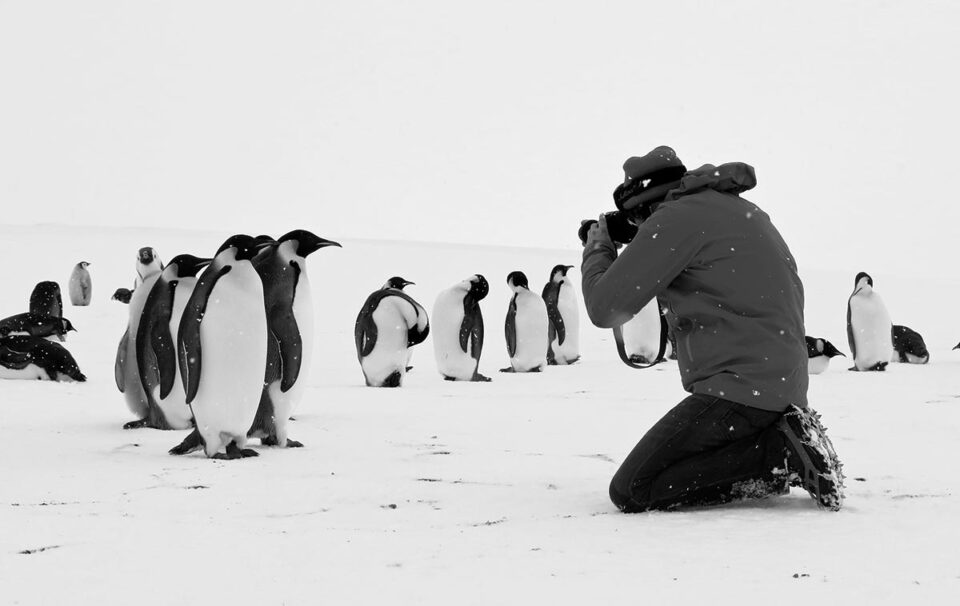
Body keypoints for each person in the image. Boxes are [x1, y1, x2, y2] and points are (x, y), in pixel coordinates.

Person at [581, 146, 844, 512]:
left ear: (644, 205)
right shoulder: (736, 210)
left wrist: (597, 248)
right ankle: (780, 448)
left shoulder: (675, 220)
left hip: (739, 389)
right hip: (781, 383)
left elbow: (604, 308)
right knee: (675, 468)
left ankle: (778, 455)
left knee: (633, 488)